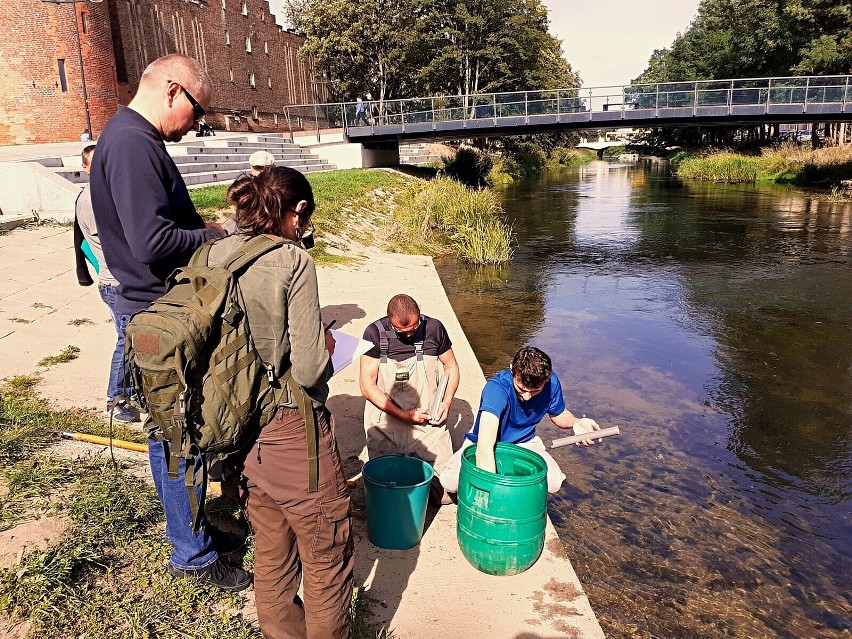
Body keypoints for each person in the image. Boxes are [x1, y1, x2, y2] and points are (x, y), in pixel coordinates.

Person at [89, 53, 248, 591]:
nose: (197, 124)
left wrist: (193, 224)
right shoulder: (133, 143)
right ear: (174, 92)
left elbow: (156, 225)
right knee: (178, 437)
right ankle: (193, 555)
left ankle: (194, 527)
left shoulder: (134, 138)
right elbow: (151, 242)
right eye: (198, 112)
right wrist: (211, 236)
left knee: (182, 434)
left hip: (162, 307)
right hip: (158, 313)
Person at [216, 167, 352, 639]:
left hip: (239, 432)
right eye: (305, 220)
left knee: (272, 556)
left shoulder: (217, 252)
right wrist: (329, 349)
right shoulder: (293, 262)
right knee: (325, 562)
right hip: (294, 433)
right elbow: (311, 369)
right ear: (296, 212)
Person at [440, 346, 600, 494]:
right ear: (512, 370)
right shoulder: (497, 388)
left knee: (553, 483)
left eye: (535, 390)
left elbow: (559, 415)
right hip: (487, 442)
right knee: (449, 482)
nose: (527, 396)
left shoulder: (551, 383)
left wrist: (576, 422)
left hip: (524, 443)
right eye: (522, 389)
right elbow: (485, 450)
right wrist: (492, 490)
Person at [359, 294, 459, 505]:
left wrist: (446, 401)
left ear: (419, 314)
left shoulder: (434, 328)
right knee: (385, 488)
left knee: (445, 495)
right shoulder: (374, 333)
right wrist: (404, 415)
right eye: (402, 331)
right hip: (387, 423)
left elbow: (451, 366)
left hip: (426, 423)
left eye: (413, 328)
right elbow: (367, 386)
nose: (409, 334)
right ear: (389, 320)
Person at [72, 144, 137, 423]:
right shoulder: (92, 200)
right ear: (86, 168)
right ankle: (116, 399)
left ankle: (130, 392)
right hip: (115, 283)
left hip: (118, 281)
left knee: (131, 339)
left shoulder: (104, 195)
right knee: (127, 341)